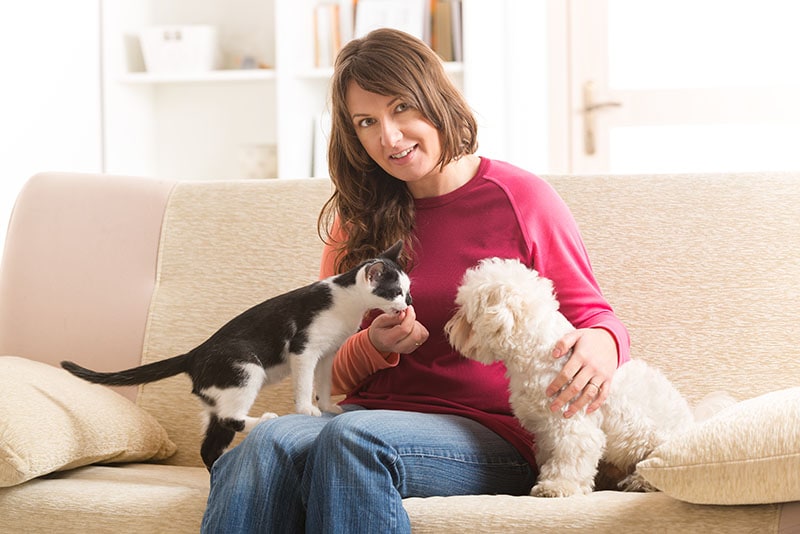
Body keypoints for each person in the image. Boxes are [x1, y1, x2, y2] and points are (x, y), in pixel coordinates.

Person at [201, 28, 630, 533]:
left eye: (401, 107)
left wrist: (604, 343)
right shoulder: (358, 220)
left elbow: (592, 315)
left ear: (435, 98)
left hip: (490, 430)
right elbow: (323, 372)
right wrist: (372, 346)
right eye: (367, 121)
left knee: (354, 438)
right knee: (266, 444)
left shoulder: (521, 199)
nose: (389, 135)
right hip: (364, 416)